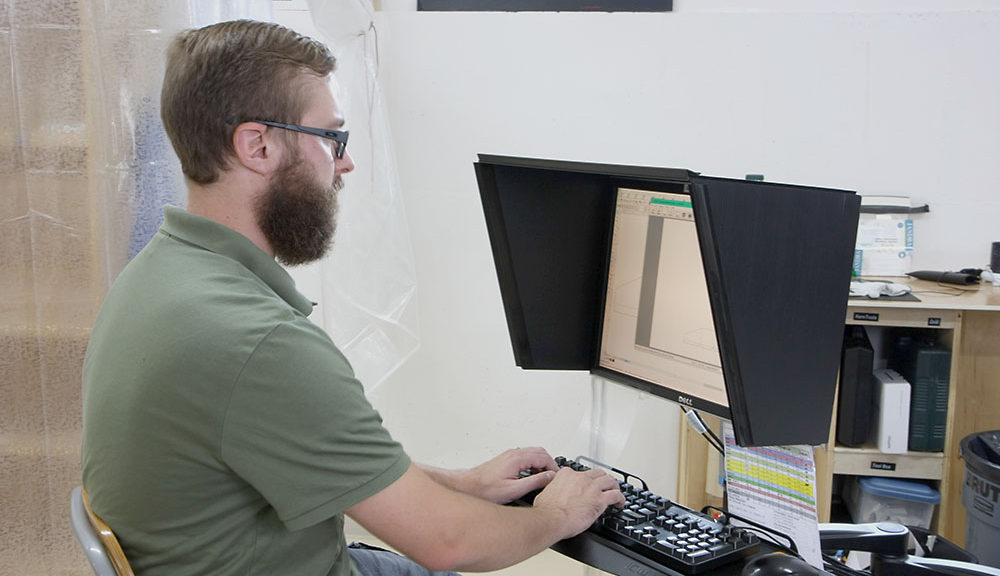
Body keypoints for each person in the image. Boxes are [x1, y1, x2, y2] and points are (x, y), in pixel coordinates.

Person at [81, 19, 625, 576]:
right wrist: (559, 514)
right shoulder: (257, 342)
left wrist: (461, 485)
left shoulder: (155, 277)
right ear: (257, 145)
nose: (345, 163)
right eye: (331, 138)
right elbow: (450, 543)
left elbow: (302, 455)